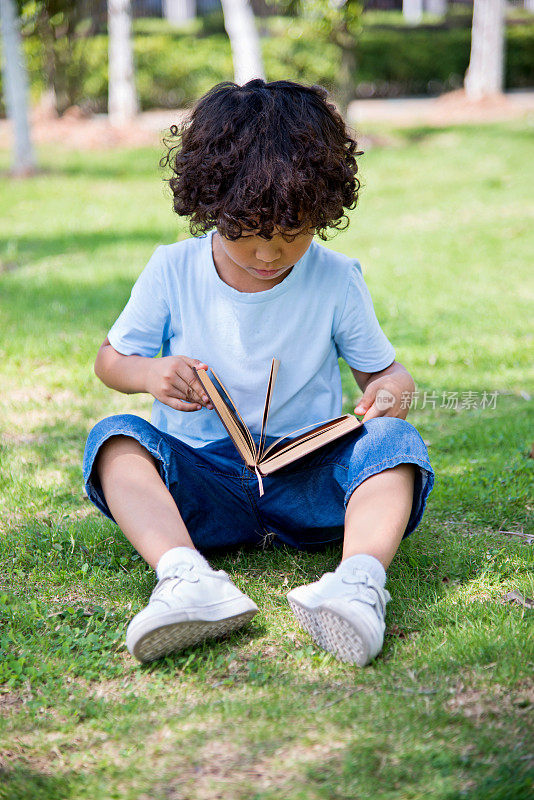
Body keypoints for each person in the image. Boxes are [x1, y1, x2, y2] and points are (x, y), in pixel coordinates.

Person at [83, 79, 434, 667]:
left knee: (395, 443)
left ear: (323, 212)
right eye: (247, 237)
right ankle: (186, 577)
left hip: (306, 477)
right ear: (210, 208)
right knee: (116, 439)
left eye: (292, 235)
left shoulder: (336, 278)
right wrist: (150, 375)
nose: (269, 255)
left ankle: (358, 584)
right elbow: (109, 361)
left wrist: (389, 395)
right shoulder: (172, 270)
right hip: (205, 477)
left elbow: (386, 374)